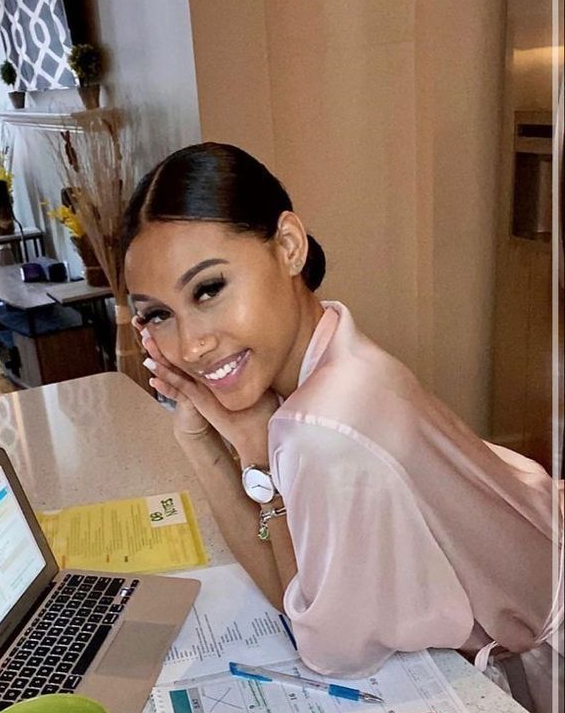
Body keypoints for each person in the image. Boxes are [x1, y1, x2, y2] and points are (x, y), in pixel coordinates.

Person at [121, 141, 561, 684]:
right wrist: (201, 436)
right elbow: (300, 584)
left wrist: (257, 450)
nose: (189, 346)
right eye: (159, 315)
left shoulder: (322, 427)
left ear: (288, 246)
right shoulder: (328, 341)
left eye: (209, 289)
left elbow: (328, 648)